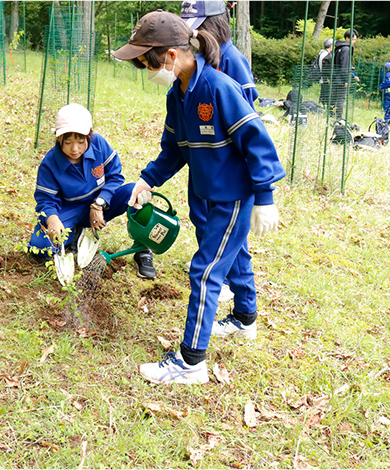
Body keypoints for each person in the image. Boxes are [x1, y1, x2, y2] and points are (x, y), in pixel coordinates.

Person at [113, 10, 285, 385]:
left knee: (205, 272)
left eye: (147, 63)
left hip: (232, 197)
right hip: (205, 193)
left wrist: (265, 195)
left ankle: (191, 362)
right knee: (227, 255)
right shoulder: (178, 94)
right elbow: (174, 149)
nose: (147, 71)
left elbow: (257, 141)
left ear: (171, 56)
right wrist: (146, 180)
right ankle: (244, 320)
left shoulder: (219, 88)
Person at [180, 0, 260, 304]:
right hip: (203, 163)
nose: (191, 33)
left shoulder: (232, 61)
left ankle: (232, 288)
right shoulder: (196, 58)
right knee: (202, 220)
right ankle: (222, 274)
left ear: (215, 24)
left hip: (227, 171)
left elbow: (248, 122)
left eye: (196, 26)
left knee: (229, 235)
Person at [29, 103, 156, 279]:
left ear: (89, 136)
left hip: (102, 203)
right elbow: (45, 200)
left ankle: (142, 249)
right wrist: (52, 219)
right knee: (40, 246)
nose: (75, 149)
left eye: (81, 142)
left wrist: (99, 204)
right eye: (68, 142)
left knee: (136, 195)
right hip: (70, 210)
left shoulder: (99, 145)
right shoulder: (50, 164)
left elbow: (115, 177)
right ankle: (73, 233)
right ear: (59, 139)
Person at [180, 0, 258, 104]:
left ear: (215, 24)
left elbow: (247, 96)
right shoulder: (199, 57)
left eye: (197, 28)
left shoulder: (232, 58)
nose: (193, 35)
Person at [331, 29, 361, 121]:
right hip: (341, 79)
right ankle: (338, 118)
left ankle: (331, 115)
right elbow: (345, 65)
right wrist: (346, 80)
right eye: (353, 39)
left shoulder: (339, 48)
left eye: (355, 40)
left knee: (334, 98)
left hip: (335, 77)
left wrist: (352, 76)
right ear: (347, 38)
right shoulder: (346, 49)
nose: (354, 42)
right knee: (341, 98)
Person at [315, 37, 334, 108]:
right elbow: (327, 69)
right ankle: (325, 108)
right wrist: (330, 78)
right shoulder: (328, 56)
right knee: (327, 96)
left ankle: (322, 106)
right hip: (326, 79)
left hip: (322, 78)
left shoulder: (321, 53)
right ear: (331, 46)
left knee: (323, 94)